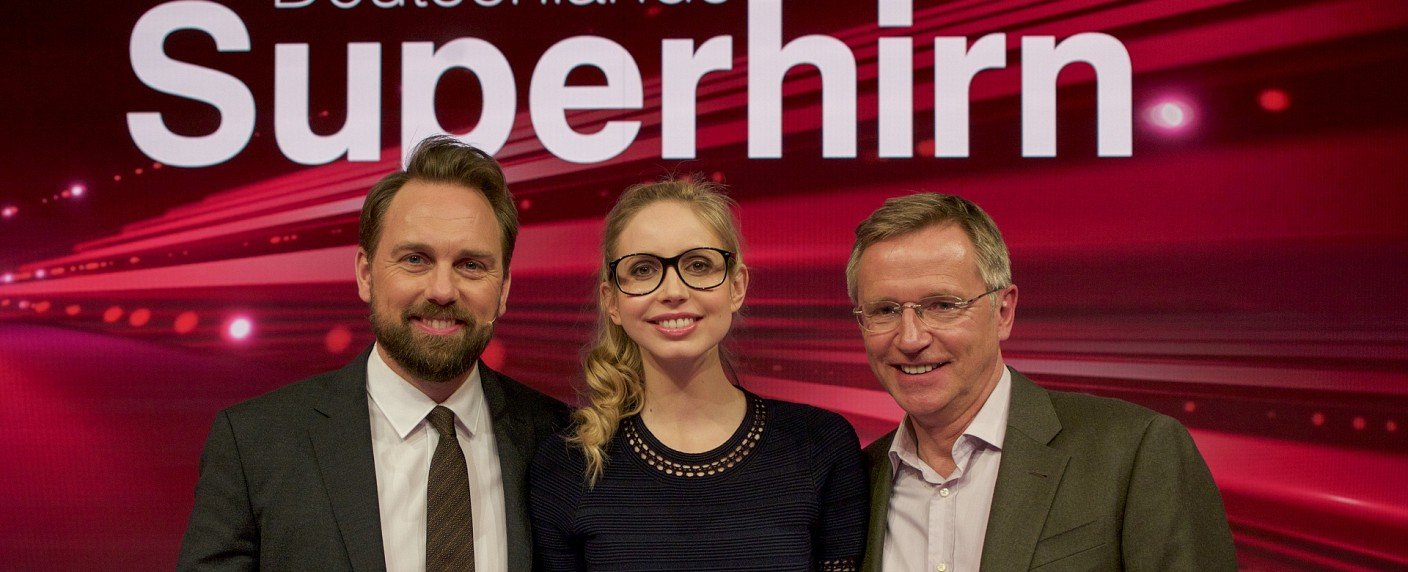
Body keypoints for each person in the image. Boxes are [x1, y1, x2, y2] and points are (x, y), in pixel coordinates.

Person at [178, 135, 569, 571]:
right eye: (415, 260)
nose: (442, 290)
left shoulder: (564, 441)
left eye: (471, 265)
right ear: (366, 274)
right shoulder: (256, 443)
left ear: (504, 289)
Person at [850, 193, 1236, 571]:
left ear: (1003, 312)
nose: (911, 338)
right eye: (885, 310)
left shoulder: (1135, 450)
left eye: (943, 306)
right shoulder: (852, 483)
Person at [528, 180, 867, 571]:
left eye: (699, 265)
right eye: (643, 269)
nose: (673, 291)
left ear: (736, 286)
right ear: (612, 301)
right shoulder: (567, 463)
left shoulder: (820, 444)